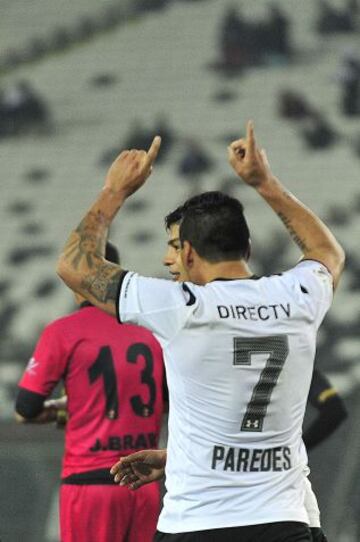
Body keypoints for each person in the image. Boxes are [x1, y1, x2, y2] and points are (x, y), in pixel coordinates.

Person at [56, 121, 345, 542]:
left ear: (188, 253)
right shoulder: (298, 296)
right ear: (246, 249)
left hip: (196, 524)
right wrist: (264, 183)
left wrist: (114, 190)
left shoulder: (181, 308)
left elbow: (73, 266)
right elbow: (327, 252)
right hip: (284, 523)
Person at [112, 199, 348, 542]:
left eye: (177, 247)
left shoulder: (188, 317)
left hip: (215, 518)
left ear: (192, 251)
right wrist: (180, 457)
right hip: (286, 513)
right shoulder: (283, 309)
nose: (169, 260)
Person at [15, 241, 166, 542]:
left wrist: (64, 410)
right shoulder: (152, 330)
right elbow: (170, 400)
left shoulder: (64, 331)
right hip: (144, 485)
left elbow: (26, 407)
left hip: (90, 485)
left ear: (77, 277)